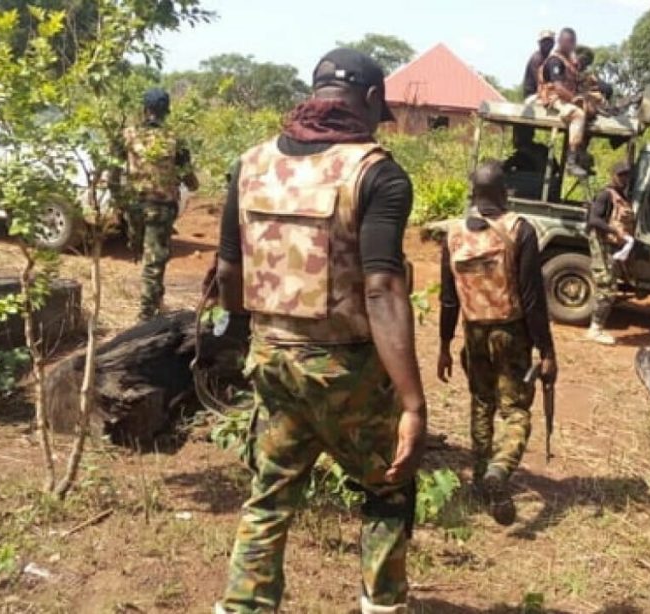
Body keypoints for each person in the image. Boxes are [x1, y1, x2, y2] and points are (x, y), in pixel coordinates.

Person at [213, 48, 427, 614]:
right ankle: (382, 604)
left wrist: (248, 339)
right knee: (388, 487)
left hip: (273, 361)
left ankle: (244, 606)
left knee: (270, 495)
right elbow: (382, 290)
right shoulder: (377, 173)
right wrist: (412, 404)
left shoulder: (249, 164)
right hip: (347, 371)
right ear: (374, 101)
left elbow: (228, 274)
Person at [437, 161, 558, 526]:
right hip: (511, 333)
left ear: (472, 194)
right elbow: (533, 298)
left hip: (473, 332)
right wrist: (547, 350)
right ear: (505, 192)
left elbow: (448, 298)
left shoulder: (453, 234)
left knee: (481, 404)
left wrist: (443, 344)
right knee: (516, 411)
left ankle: (478, 480)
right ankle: (498, 472)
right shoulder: (519, 229)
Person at [122, 88, 199, 322]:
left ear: (145, 110)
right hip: (161, 207)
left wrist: (118, 197)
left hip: (134, 204)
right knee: (155, 259)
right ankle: (146, 315)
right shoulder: (175, 138)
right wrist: (193, 185)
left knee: (146, 253)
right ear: (166, 112)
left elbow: (113, 169)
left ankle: (156, 300)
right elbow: (187, 176)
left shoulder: (127, 135)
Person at [584, 161, 635, 346]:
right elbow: (594, 219)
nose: (624, 178)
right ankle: (595, 330)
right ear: (613, 175)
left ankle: (596, 327)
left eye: (626, 175)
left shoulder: (622, 196)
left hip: (614, 248)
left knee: (611, 286)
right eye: (621, 175)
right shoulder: (606, 195)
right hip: (603, 245)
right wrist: (614, 232)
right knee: (606, 288)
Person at [536, 28, 588, 178]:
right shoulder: (555, 61)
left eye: (573, 43)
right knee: (577, 114)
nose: (572, 46)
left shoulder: (569, 61)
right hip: (553, 98)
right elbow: (558, 88)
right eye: (570, 43)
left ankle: (582, 155)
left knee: (590, 112)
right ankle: (571, 162)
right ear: (561, 42)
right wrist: (574, 99)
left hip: (565, 97)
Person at [522, 29, 555, 99]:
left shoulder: (550, 59)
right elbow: (540, 83)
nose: (547, 44)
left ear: (553, 43)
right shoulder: (536, 59)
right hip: (533, 96)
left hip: (545, 93)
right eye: (544, 41)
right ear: (539, 43)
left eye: (549, 41)